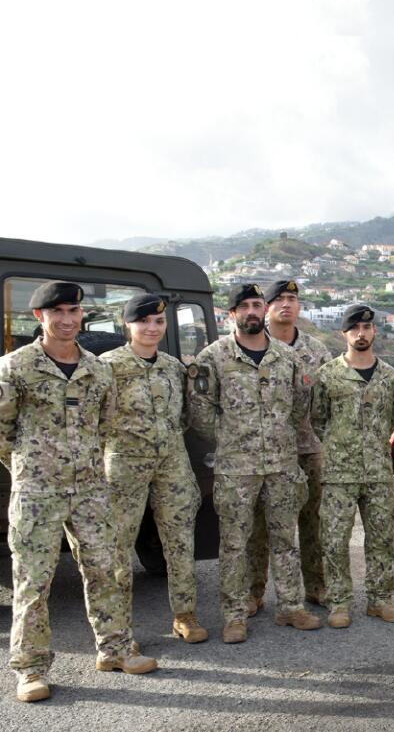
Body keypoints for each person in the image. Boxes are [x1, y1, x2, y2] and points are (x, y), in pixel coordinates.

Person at [0, 281, 157, 702]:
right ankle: (31, 670)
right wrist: (31, 469)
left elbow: (104, 425)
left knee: (107, 568)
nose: (67, 320)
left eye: (73, 311)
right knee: (34, 581)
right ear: (39, 318)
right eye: (58, 313)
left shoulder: (98, 368)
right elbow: (2, 433)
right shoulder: (15, 367)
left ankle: (115, 649)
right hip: (38, 491)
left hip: (90, 488)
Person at [187, 283, 321, 643]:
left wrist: (277, 438)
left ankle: (291, 606)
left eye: (256, 305)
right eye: (243, 306)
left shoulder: (285, 357)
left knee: (285, 539)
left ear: (264, 310)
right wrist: (233, 438)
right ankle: (234, 615)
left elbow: (298, 408)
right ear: (231, 314)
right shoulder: (213, 358)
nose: (251, 311)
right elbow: (200, 415)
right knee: (234, 544)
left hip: (281, 463)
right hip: (236, 468)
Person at [101, 294, 205, 643]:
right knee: (117, 545)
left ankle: (185, 614)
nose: (151, 327)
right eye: (143, 321)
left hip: (171, 464)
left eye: (158, 322)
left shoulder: (173, 367)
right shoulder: (106, 366)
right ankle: (118, 627)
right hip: (124, 466)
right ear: (127, 325)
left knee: (179, 541)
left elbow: (185, 416)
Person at [310, 303, 394, 627]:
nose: (361, 334)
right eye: (354, 329)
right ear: (344, 333)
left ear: (374, 331)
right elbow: (318, 419)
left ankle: (381, 600)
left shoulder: (389, 376)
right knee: (335, 539)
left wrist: (372, 445)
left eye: (366, 328)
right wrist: (340, 445)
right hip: (339, 472)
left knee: (381, 538)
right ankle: (339, 602)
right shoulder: (328, 375)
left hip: (378, 470)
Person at [247, 279, 330, 612]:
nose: (286, 304)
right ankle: (254, 592)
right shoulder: (252, 345)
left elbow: (326, 400)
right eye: (278, 299)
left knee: (314, 521)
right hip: (265, 451)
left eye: (292, 299)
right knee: (260, 525)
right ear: (267, 307)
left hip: (309, 448)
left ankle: (317, 586)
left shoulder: (316, 350)